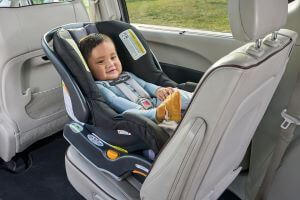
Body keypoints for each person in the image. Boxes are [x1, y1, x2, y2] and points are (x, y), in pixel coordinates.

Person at [79, 33, 192, 123]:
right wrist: (141, 110)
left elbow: (145, 85)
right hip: (137, 113)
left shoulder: (127, 75)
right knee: (131, 114)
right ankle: (162, 114)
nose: (110, 64)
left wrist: (158, 90)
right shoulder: (100, 86)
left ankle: (194, 99)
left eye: (113, 57)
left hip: (152, 103)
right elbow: (114, 100)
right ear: (89, 68)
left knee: (174, 92)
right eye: (100, 61)